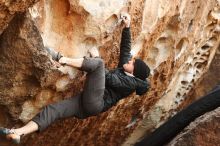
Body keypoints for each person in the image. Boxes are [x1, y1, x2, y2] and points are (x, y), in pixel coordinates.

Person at [0, 13, 150, 144]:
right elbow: (125, 49)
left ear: (134, 72)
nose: (130, 61)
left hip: (96, 103)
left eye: (133, 63)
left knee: (98, 64)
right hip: (86, 102)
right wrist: (127, 26)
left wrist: (97, 56)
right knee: (53, 110)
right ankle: (18, 133)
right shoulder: (128, 70)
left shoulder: (130, 84)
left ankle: (60, 58)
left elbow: (108, 78)